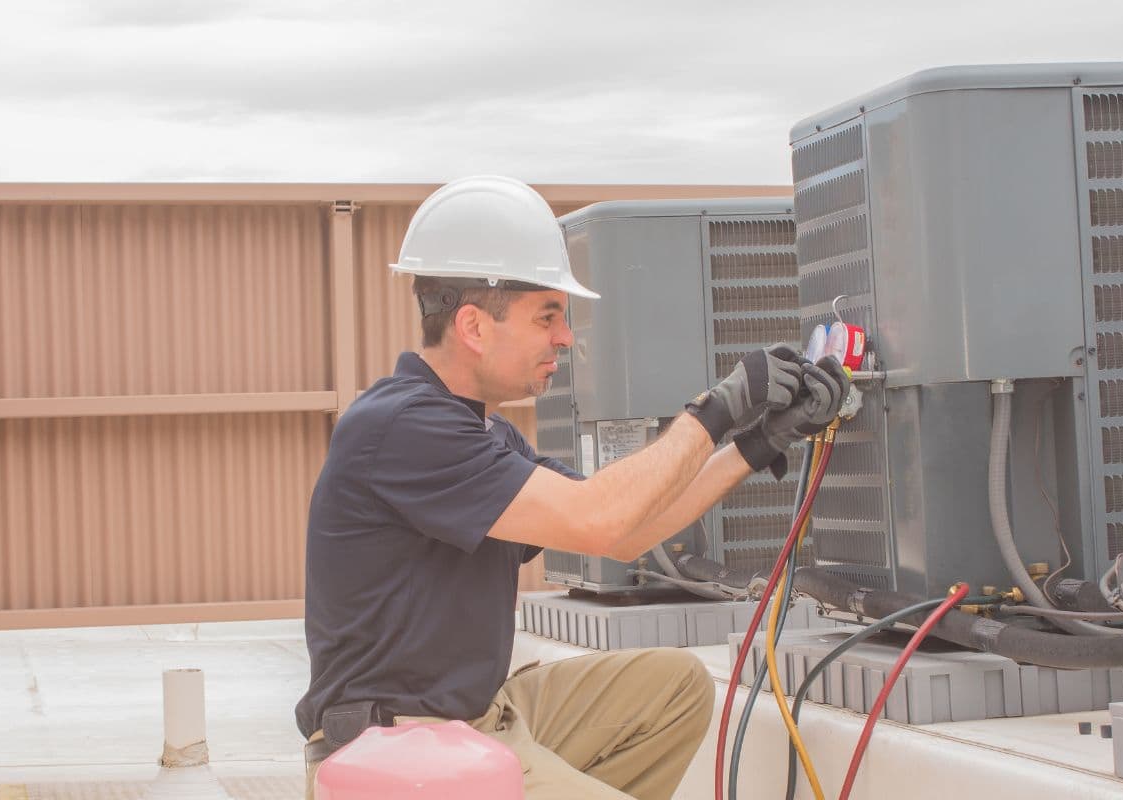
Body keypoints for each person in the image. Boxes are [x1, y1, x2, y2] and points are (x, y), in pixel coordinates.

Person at [297, 176, 848, 799]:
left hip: (481, 717)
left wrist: (758, 444)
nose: (564, 337)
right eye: (548, 316)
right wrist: (717, 408)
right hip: (404, 749)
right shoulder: (403, 428)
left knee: (676, 688)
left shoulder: (481, 434)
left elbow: (627, 532)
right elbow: (601, 519)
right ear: (474, 326)